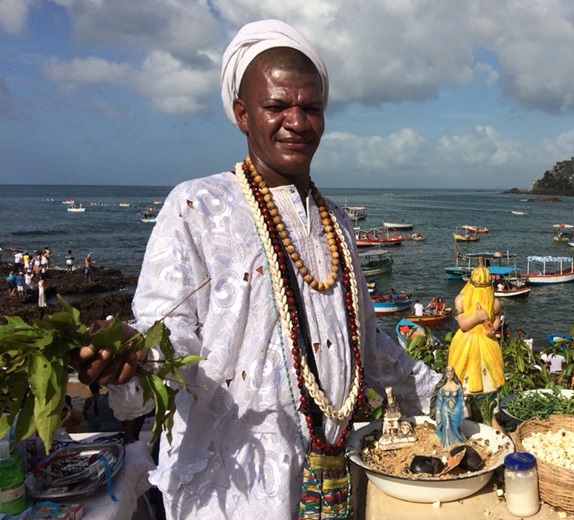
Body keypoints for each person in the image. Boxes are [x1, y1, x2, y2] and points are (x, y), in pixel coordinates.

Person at [73, 20, 440, 520]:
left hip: (329, 478)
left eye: (311, 108)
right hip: (231, 489)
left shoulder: (337, 224)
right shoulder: (197, 206)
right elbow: (170, 332)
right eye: (277, 106)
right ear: (243, 114)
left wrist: (437, 393)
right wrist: (133, 354)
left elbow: (364, 341)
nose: (296, 121)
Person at [448, 261, 505, 396]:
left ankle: (491, 415)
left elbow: (497, 318)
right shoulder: (461, 300)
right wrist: (477, 317)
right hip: (465, 342)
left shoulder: (495, 303)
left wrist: (493, 330)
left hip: (487, 342)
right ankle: (465, 411)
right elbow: (463, 325)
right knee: (463, 382)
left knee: (491, 384)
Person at [430, 366, 466, 447]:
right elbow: (439, 402)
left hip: (456, 409)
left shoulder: (458, 386)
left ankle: (457, 440)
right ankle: (447, 443)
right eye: (448, 374)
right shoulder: (442, 388)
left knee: (456, 426)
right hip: (445, 409)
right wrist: (438, 413)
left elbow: (461, 399)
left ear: (454, 374)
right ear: (446, 375)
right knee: (446, 418)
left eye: (451, 375)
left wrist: (464, 409)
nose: (450, 376)